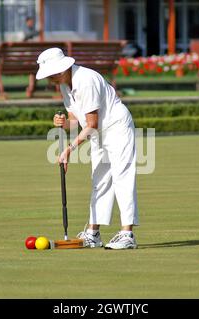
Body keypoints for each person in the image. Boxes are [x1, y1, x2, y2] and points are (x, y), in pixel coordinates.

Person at [36, 48, 139, 250]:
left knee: (121, 176)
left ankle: (127, 234)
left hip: (116, 126)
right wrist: (63, 122)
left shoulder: (86, 80)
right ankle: (93, 234)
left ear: (61, 69)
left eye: (51, 75)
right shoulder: (65, 86)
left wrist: (69, 149)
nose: (49, 79)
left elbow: (91, 124)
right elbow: (77, 122)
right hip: (98, 131)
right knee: (99, 179)